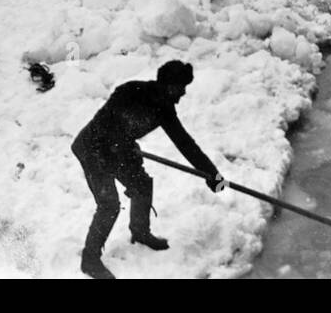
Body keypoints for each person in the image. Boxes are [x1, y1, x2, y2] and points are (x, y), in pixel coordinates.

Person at [71, 60, 224, 280]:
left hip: (119, 149)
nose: (181, 95)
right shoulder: (130, 92)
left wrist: (212, 175)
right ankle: (90, 259)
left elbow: (185, 144)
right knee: (109, 204)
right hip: (92, 148)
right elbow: (108, 125)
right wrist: (125, 147)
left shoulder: (164, 110)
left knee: (142, 184)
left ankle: (140, 232)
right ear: (166, 85)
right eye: (179, 89)